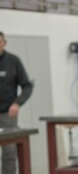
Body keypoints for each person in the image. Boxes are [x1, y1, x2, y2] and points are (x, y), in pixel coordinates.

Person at [0, 31, 33, 174]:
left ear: (4, 43)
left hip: (7, 115)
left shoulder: (13, 61)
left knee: (9, 152)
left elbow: (27, 86)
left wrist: (17, 103)